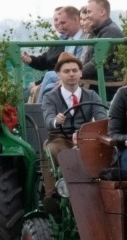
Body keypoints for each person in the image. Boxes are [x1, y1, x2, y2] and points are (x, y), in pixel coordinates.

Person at [41, 52, 106, 208]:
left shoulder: (91, 95)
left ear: (80, 73)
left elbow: (102, 118)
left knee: (107, 150)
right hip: (60, 139)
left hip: (85, 139)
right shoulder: (50, 97)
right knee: (50, 150)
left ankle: (104, 190)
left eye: (75, 70)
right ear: (58, 75)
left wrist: (93, 128)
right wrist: (56, 121)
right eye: (66, 71)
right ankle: (52, 196)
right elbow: (48, 119)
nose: (71, 74)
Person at [82, 0, 124, 99]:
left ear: (102, 12)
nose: (87, 16)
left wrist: (76, 74)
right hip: (95, 81)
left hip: (105, 85)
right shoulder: (98, 32)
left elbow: (97, 63)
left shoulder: (111, 32)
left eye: (89, 12)